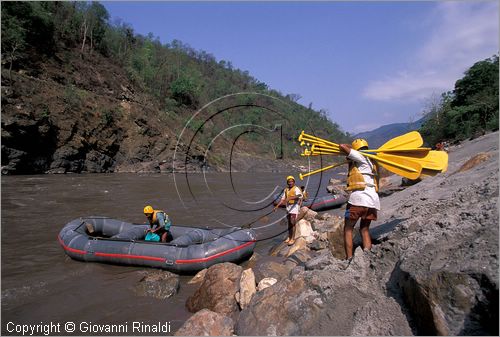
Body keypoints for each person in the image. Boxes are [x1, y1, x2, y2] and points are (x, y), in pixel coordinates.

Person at [339, 139, 380, 260]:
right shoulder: (372, 161)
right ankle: (367, 255)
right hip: (372, 201)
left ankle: (350, 258)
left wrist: (349, 148)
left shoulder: (360, 156)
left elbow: (342, 146)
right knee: (364, 228)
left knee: (348, 229)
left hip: (359, 199)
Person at [273, 176, 303, 245]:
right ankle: (289, 237)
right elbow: (283, 199)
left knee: (293, 223)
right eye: (289, 182)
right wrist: (277, 206)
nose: (290, 183)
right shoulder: (286, 189)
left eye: (291, 181)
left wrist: (290, 198)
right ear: (287, 182)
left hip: (294, 207)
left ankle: (293, 238)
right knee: (289, 223)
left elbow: (299, 195)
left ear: (294, 182)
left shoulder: (296, 188)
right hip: (288, 208)